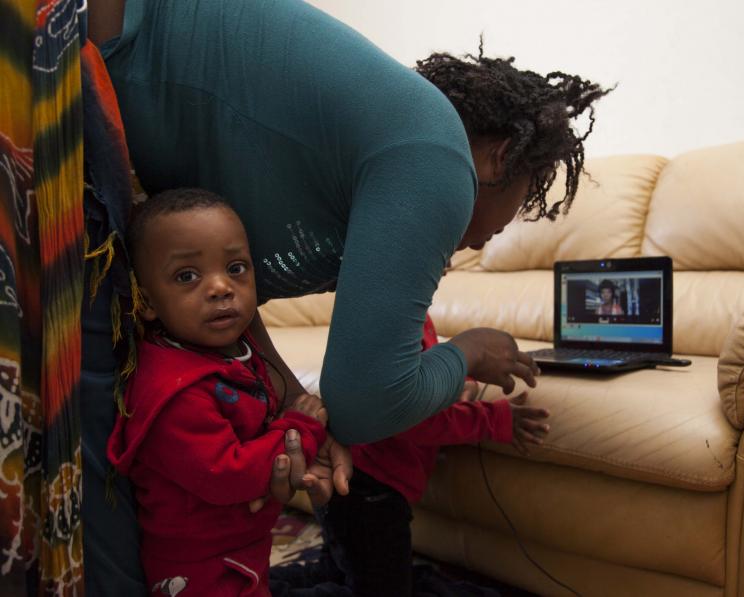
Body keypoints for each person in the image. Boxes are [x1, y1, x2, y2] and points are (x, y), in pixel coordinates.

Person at [84, 1, 612, 593]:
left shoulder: (365, 151)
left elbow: (222, 282)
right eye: (516, 197)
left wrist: (284, 390)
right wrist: (468, 353)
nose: (488, 236)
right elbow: (365, 402)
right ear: (497, 153)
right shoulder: (439, 160)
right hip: (84, 66)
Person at [107, 188, 339, 596]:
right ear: (146, 302)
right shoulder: (174, 393)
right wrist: (300, 430)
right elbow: (228, 474)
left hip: (240, 545)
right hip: (200, 567)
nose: (220, 287)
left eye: (235, 268)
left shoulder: (231, 351)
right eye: (187, 276)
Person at [269, 314, 551, 597]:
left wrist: (454, 381)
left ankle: (253, 585)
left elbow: (421, 372)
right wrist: (494, 419)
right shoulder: (394, 317)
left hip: (352, 473)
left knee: (344, 566)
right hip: (371, 489)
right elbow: (410, 417)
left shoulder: (403, 307)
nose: (445, 267)